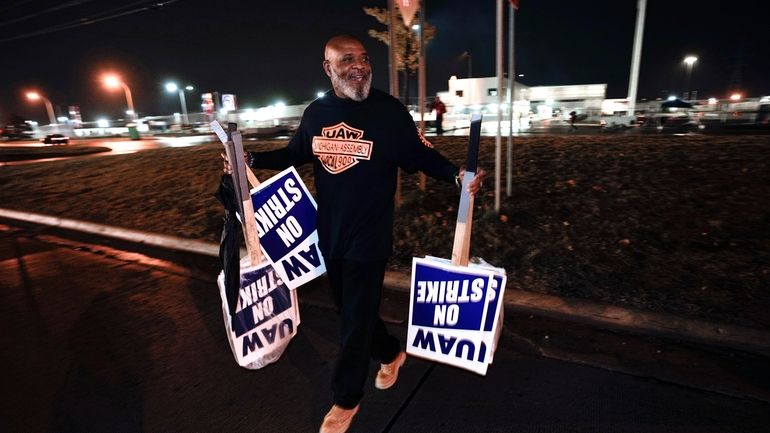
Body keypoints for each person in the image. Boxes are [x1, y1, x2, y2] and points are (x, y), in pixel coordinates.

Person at [222, 34, 486, 433]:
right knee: (352, 312)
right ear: (328, 68)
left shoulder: (389, 112)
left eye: (363, 58)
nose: (359, 66)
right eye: (348, 60)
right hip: (329, 231)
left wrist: (455, 175)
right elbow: (296, 154)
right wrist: (251, 159)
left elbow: (421, 155)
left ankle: (346, 399)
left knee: (354, 321)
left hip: (370, 235)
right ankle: (390, 352)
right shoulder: (317, 112)